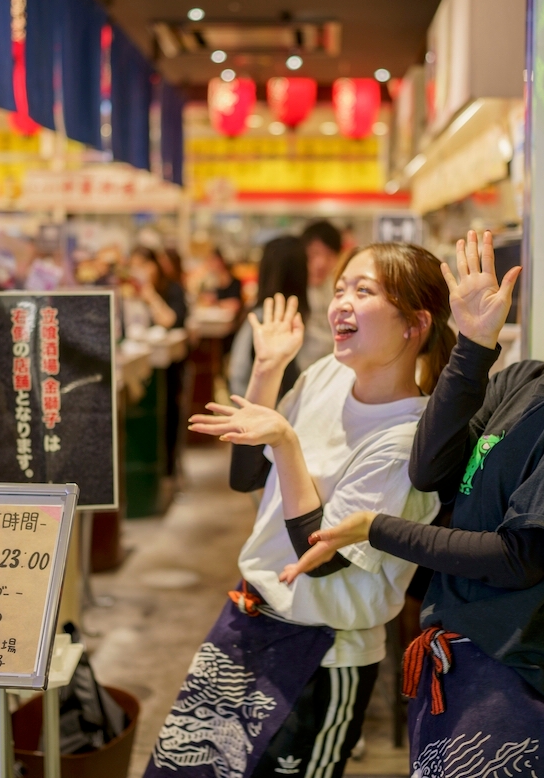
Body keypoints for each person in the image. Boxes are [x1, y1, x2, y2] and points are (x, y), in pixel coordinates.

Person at [282, 233, 544, 777]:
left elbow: (519, 558)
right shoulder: (521, 378)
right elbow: (431, 471)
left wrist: (378, 529)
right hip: (462, 666)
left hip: (522, 681)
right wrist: (473, 342)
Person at [144, 242, 456, 778]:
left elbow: (327, 555)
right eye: (340, 290)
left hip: (323, 653)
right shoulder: (326, 375)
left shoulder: (409, 436)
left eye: (364, 291)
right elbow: (247, 475)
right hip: (249, 621)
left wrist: (287, 444)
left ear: (415, 323)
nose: (342, 304)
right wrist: (268, 369)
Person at [130, 246, 189, 475]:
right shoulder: (127, 292)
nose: (140, 271)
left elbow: (170, 320)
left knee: (167, 415)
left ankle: (168, 467)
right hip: (141, 364)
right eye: (134, 266)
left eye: (144, 265)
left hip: (169, 368)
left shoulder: (170, 289)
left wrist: (150, 296)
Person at [227, 236, 307, 399]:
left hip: (248, 407)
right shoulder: (278, 320)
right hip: (263, 411)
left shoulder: (260, 311)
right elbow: (288, 388)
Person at [295, 221, 342, 371]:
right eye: (314, 253)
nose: (321, 263)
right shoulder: (292, 291)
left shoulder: (340, 290)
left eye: (329, 255)